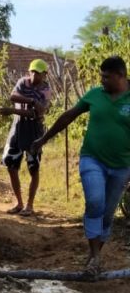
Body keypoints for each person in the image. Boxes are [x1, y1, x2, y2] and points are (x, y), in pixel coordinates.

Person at [31, 55, 130, 276]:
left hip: (122, 166)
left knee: (107, 214)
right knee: (95, 201)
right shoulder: (95, 95)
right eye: (101, 76)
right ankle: (95, 256)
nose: (102, 80)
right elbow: (68, 116)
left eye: (106, 77)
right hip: (92, 158)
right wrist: (43, 139)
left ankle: (94, 257)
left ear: (120, 76)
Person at [0, 58, 51, 216]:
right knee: (11, 164)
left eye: (38, 72)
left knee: (33, 168)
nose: (34, 75)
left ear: (44, 74)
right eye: (32, 71)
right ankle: (19, 203)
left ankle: (29, 205)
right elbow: (13, 96)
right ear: (29, 71)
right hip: (17, 128)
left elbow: (37, 113)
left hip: (33, 130)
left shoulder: (46, 90)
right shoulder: (23, 82)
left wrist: (12, 111)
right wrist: (32, 100)